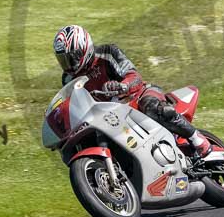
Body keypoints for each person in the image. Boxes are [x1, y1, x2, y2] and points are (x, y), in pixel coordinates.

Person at [53, 24, 211, 157]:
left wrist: (122, 86)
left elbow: (134, 76)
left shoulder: (107, 53)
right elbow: (75, 104)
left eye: (73, 57)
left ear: (84, 47)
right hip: (108, 116)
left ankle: (196, 138)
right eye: (64, 60)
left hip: (136, 96)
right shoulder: (67, 79)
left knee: (151, 107)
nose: (69, 64)